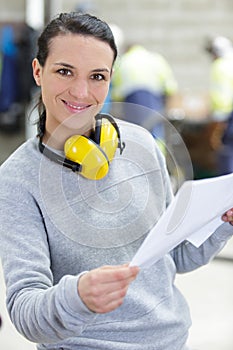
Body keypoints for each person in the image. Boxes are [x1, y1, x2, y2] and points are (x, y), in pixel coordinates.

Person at [0, 12, 233, 350]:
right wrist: (76, 297)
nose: (81, 91)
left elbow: (176, 257)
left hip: (171, 342)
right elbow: (25, 312)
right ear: (38, 71)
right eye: (64, 71)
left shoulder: (140, 145)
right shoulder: (17, 179)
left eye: (97, 76)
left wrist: (221, 222)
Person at [111, 43, 178, 144]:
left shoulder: (123, 62)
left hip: (131, 103)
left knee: (135, 137)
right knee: (155, 135)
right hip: (154, 102)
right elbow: (170, 88)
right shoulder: (156, 59)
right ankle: (158, 157)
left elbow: (116, 94)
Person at [205, 36, 233, 175]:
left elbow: (222, 97)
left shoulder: (220, 67)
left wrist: (219, 122)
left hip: (228, 117)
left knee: (226, 154)